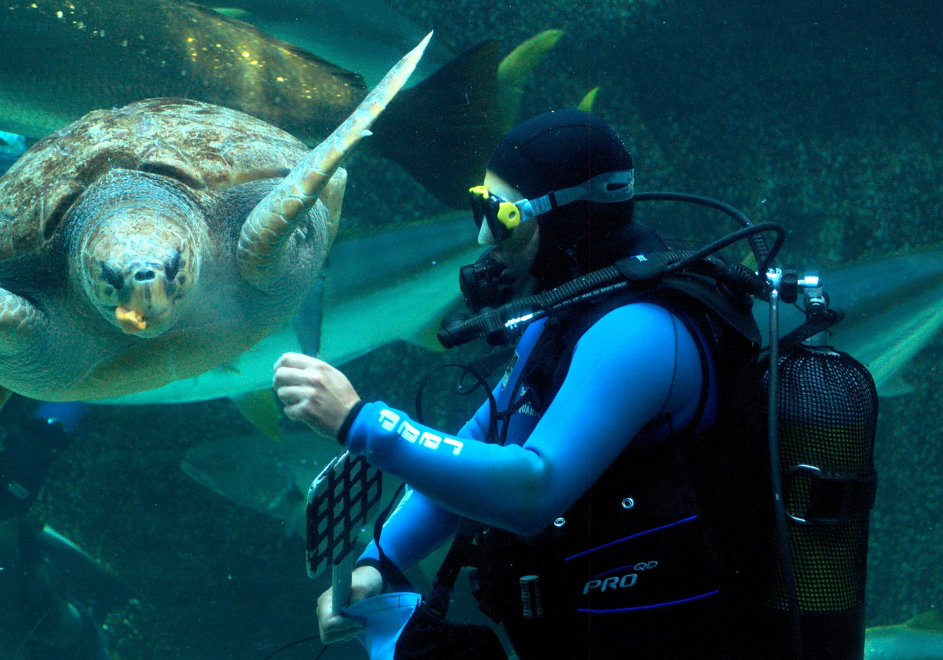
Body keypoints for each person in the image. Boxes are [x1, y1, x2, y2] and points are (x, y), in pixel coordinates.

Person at [272, 110, 789, 659]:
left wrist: (363, 423)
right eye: (480, 206)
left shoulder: (638, 333)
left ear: (565, 220)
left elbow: (533, 489)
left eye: (502, 217)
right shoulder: (568, 303)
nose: (481, 237)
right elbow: (486, 440)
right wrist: (380, 563)